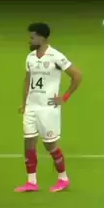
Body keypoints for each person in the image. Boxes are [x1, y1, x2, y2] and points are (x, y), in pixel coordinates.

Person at [15, 22, 83, 193]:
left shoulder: (56, 56)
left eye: (32, 37)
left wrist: (64, 97)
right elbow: (27, 80)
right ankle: (31, 182)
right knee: (29, 143)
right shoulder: (30, 57)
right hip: (31, 107)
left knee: (50, 145)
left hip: (48, 109)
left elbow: (77, 75)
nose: (29, 40)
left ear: (42, 38)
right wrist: (24, 103)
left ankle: (63, 179)